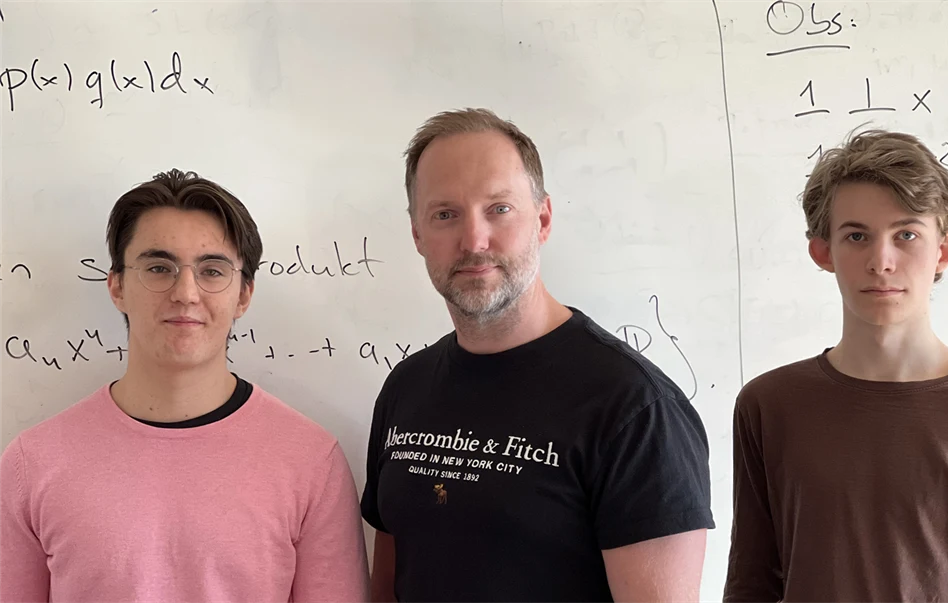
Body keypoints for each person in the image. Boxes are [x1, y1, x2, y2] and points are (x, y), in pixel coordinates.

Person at [360, 108, 714, 603]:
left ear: (543, 219)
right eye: (446, 214)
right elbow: (389, 585)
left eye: (499, 209)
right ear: (418, 235)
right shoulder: (406, 388)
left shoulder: (634, 409)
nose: (474, 240)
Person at [722, 130, 948, 602]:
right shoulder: (769, 405)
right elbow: (751, 583)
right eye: (857, 236)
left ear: (944, 249)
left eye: (906, 235)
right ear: (823, 252)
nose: (881, 262)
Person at [0, 169, 370, 602]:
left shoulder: (312, 463)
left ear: (244, 294)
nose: (186, 292)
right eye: (159, 267)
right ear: (117, 286)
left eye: (212, 270)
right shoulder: (33, 464)